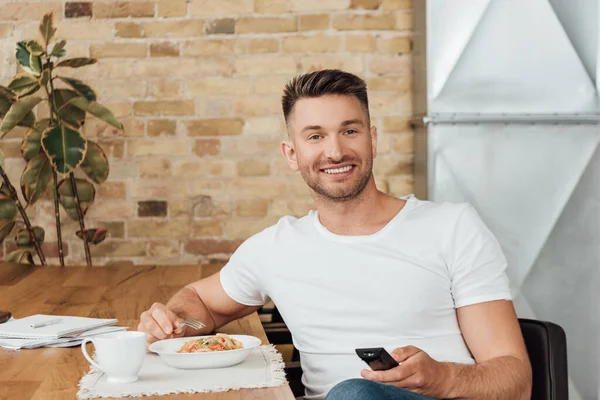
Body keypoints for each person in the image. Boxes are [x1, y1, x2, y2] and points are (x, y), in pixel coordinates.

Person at [137, 69, 532, 400]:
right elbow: (201, 304)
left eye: (349, 131)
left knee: (354, 393)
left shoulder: (453, 227)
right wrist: (172, 323)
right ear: (292, 154)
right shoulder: (276, 247)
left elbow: (515, 379)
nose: (335, 151)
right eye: (315, 136)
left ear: (372, 139)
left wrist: (444, 377)